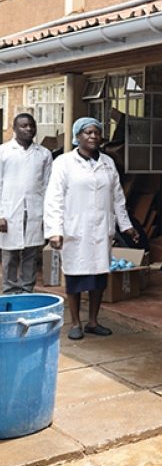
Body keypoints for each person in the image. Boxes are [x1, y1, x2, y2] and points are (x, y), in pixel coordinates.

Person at [44, 117, 139, 340]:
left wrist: (126, 226)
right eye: (87, 132)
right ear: (78, 137)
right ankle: (76, 323)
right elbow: (53, 199)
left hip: (100, 229)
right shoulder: (64, 163)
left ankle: (93, 321)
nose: (93, 136)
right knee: (76, 278)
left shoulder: (107, 162)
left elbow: (117, 198)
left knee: (98, 277)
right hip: (75, 229)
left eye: (97, 132)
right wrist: (54, 231)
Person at [0, 113, 53, 294]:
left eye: (31, 125)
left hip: (34, 210)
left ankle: (26, 291)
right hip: (9, 211)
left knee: (31, 253)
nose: (29, 129)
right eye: (23, 126)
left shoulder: (44, 154)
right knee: (10, 254)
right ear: (14, 129)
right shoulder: (3, 152)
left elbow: (47, 186)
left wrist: (48, 215)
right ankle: (9, 291)